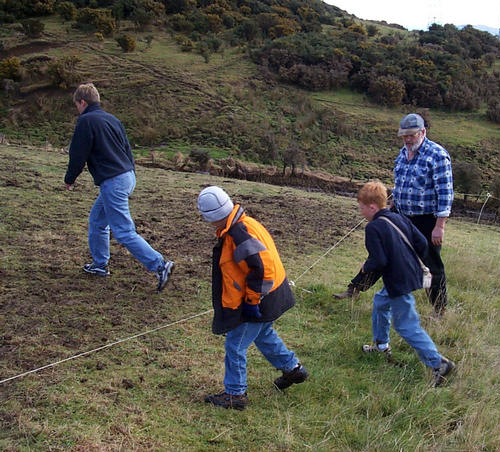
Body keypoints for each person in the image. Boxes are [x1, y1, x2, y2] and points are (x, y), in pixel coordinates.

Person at [198, 186, 308, 410]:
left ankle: (235, 394)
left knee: (235, 345)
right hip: (273, 294)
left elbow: (262, 269)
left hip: (260, 299)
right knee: (264, 333)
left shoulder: (239, 233)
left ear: (211, 217)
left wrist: (252, 301)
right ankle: (292, 369)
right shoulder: (245, 222)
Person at [334, 113, 453, 315]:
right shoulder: (402, 153)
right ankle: (354, 288)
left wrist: (439, 226)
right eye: (404, 136)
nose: (407, 140)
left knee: (432, 264)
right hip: (400, 214)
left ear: (423, 132)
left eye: (411, 136)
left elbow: (446, 192)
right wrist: (390, 205)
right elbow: (400, 185)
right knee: (382, 252)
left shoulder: (438, 156)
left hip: (426, 219)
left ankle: (439, 309)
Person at [64, 83, 173, 292]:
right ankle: (99, 265)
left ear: (82, 102)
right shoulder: (112, 119)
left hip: (113, 181)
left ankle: (160, 265)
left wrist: (70, 179)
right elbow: (127, 149)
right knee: (97, 220)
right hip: (127, 176)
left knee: (123, 231)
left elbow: (78, 154)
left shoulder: (86, 121)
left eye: (76, 105)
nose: (77, 109)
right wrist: (129, 172)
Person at [352, 181, 454, 386]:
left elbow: (379, 260)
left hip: (398, 282)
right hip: (410, 274)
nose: (360, 211)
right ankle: (381, 345)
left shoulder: (373, 228)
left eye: (361, 207)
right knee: (381, 302)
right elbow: (422, 243)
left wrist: (366, 266)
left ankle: (438, 363)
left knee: (406, 325)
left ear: (371, 207)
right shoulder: (399, 218)